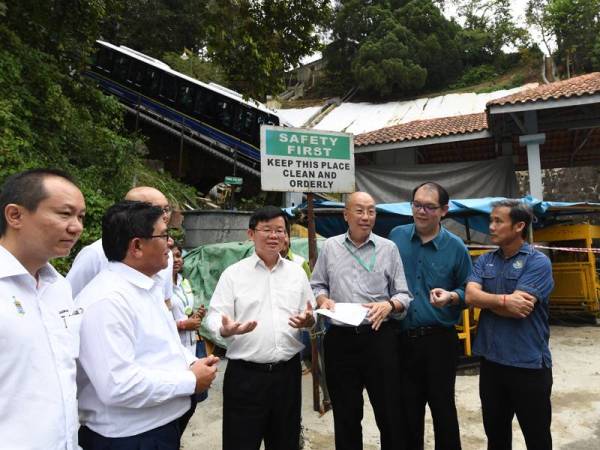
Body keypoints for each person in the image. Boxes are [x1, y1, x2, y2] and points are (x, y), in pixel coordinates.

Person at [76, 200, 219, 450]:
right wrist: (190, 381)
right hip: (129, 438)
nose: (171, 243)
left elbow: (164, 344)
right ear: (137, 246)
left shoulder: (147, 286)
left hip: (158, 428)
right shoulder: (107, 301)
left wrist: (191, 362)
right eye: (164, 235)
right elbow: (118, 385)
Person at [205, 205, 315, 450]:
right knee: (240, 442)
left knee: (285, 442)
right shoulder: (233, 275)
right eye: (266, 229)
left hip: (287, 375)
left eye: (280, 230)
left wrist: (309, 320)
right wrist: (226, 330)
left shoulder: (297, 274)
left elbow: (311, 313)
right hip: (245, 377)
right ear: (251, 234)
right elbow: (214, 318)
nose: (274, 236)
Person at [310, 191, 412, 450]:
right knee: (346, 414)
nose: (366, 217)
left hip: (379, 338)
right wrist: (322, 300)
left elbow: (404, 295)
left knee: (390, 412)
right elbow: (317, 285)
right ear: (346, 215)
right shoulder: (330, 247)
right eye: (359, 210)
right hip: (340, 341)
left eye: (371, 211)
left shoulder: (388, 248)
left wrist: (389, 305)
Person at [0, 169, 85, 450]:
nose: (76, 227)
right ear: (15, 216)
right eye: (64, 214)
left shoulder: (59, 288)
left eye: (80, 217)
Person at [389, 182, 472, 450]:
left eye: (429, 206)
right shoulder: (396, 237)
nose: (421, 211)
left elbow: (469, 289)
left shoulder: (456, 247)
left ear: (444, 210)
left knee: (443, 409)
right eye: (416, 205)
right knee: (406, 411)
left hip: (440, 341)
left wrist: (452, 296)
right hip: (401, 339)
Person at [466, 199, 554, 450]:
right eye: (490, 220)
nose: (491, 226)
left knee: (537, 438)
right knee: (496, 438)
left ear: (519, 226)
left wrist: (487, 301)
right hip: (492, 364)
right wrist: (504, 300)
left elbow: (520, 310)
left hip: (528, 365)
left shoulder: (537, 262)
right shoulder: (485, 261)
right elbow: (471, 296)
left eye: (498, 221)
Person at [66, 186, 174, 302]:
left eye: (166, 209)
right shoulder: (95, 254)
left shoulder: (165, 254)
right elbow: (67, 300)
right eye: (155, 209)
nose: (164, 216)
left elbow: (165, 300)